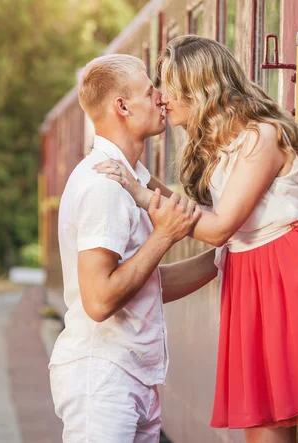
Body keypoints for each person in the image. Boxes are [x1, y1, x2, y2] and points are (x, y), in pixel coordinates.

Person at [95, 36, 298, 443]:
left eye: (167, 85)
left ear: (200, 86)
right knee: (264, 426)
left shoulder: (259, 137)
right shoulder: (219, 144)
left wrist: (143, 195)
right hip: (256, 277)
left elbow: (217, 228)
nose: (161, 97)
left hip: (297, 275)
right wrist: (138, 177)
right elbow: (207, 218)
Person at [49, 54, 218, 443]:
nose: (161, 97)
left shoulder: (133, 178)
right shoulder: (105, 185)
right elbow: (99, 300)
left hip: (130, 375)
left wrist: (224, 258)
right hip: (102, 377)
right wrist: (163, 236)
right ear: (122, 106)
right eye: (149, 90)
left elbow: (145, 284)